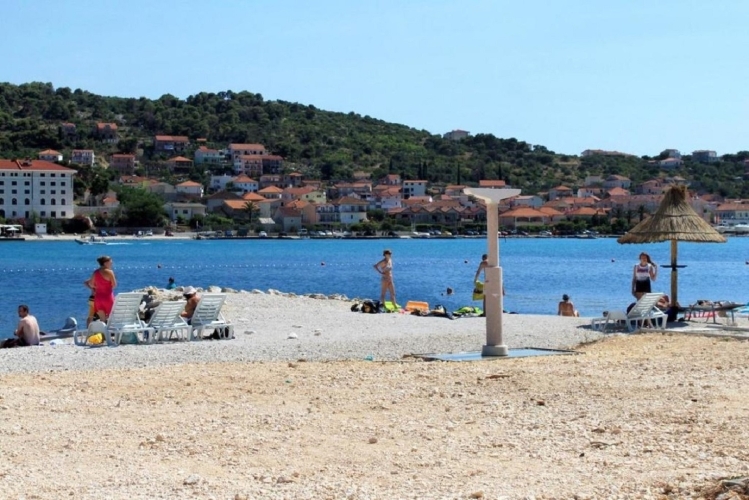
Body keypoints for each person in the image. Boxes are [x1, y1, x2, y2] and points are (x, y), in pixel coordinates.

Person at [87, 255, 116, 322]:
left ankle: (103, 328)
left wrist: (97, 287)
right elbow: (114, 285)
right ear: (105, 263)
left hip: (98, 298)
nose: (112, 264)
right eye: (110, 262)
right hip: (108, 297)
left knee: (102, 319)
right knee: (111, 318)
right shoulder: (110, 272)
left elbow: (91, 284)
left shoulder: (96, 272)